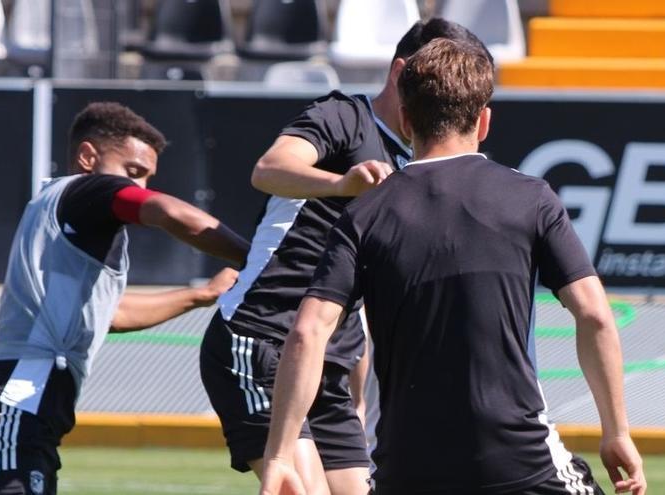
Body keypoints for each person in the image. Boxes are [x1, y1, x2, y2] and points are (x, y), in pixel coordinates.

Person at [260, 38, 647, 495]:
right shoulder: (531, 198)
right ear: (483, 121)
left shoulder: (363, 213)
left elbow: (307, 333)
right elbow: (594, 314)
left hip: (406, 470)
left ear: (405, 120)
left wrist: (280, 455)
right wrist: (616, 431)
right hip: (517, 461)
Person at [199, 18, 492, 494]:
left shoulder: (421, 160)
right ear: (401, 74)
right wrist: (340, 184)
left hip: (327, 365)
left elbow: (359, 286)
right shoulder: (344, 115)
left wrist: (358, 386)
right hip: (261, 339)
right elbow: (270, 168)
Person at [0, 101, 250, 495]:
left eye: (146, 177)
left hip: (21, 403)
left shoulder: (66, 219)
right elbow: (168, 212)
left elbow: (112, 313)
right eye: (132, 172)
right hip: (16, 399)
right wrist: (257, 257)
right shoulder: (85, 190)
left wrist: (201, 295)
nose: (138, 186)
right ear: (88, 156)